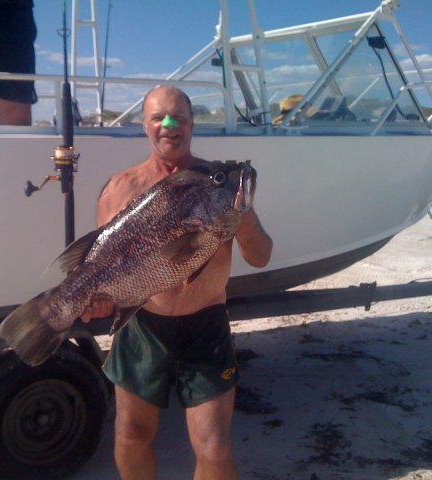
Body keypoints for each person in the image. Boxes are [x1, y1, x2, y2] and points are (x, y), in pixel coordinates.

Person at [82, 85, 273, 480]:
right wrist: (102, 302)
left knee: (215, 447)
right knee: (131, 434)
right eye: (159, 118)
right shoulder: (119, 190)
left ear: (190, 125)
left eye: (179, 118)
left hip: (205, 326)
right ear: (145, 125)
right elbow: (103, 270)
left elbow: (260, 256)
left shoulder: (215, 184)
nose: (169, 126)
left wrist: (245, 216)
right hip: (142, 326)